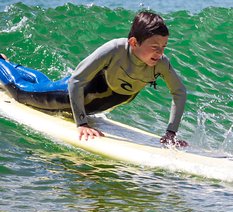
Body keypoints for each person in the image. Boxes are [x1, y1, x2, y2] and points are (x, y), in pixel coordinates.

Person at [0, 11, 188, 145]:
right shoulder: (115, 50)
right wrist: (81, 123)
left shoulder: (160, 64)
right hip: (67, 93)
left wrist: (171, 133)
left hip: (88, 101)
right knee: (19, 92)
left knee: (42, 84)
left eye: (164, 46)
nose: (160, 52)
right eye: (155, 47)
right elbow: (76, 80)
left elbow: (179, 92)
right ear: (133, 42)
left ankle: (10, 64)